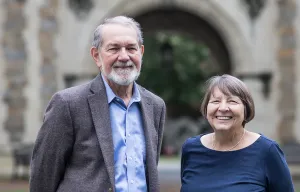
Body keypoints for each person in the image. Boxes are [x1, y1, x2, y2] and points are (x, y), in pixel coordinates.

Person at [30, 16, 166, 192]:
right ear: (96, 56)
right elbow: (43, 177)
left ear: (141, 52)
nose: (124, 56)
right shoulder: (67, 104)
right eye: (114, 48)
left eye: (131, 48)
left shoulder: (155, 106)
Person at [180, 74, 294, 192]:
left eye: (232, 101)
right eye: (215, 101)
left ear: (246, 108)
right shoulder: (191, 148)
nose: (223, 108)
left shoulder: (267, 150)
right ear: (206, 108)